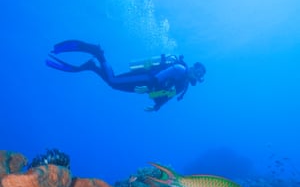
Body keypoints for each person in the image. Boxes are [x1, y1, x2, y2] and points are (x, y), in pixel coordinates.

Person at [46, 40, 206, 111]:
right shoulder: (179, 69)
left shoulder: (183, 86)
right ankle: (98, 53)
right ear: (193, 67)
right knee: (113, 81)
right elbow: (161, 76)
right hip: (145, 78)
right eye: (197, 71)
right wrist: (151, 87)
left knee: (113, 84)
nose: (197, 76)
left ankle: (92, 66)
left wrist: (157, 106)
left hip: (146, 86)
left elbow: (168, 95)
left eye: (199, 76)